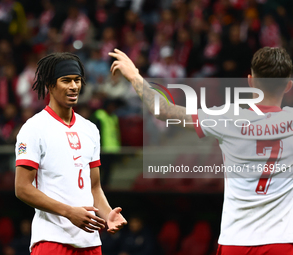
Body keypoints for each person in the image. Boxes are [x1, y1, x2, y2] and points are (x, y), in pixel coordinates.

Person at [109, 47, 293, 254]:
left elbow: (163, 111)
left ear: (250, 82)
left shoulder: (229, 118)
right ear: (288, 86)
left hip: (236, 242)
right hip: (281, 242)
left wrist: (134, 75)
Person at [15, 52, 127, 255]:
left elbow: (94, 187)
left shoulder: (90, 129)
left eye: (77, 80)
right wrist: (69, 212)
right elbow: (22, 188)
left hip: (90, 242)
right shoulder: (34, 128)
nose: (74, 86)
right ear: (49, 84)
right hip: (51, 240)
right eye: (66, 80)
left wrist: (108, 213)